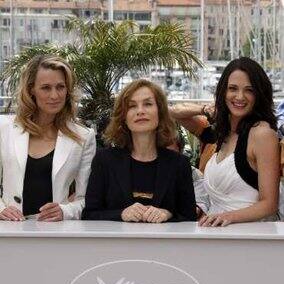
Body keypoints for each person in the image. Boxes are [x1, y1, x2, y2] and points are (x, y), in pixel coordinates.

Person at [82, 79, 196, 222]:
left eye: (148, 104)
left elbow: (190, 218)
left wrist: (168, 214)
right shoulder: (104, 160)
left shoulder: (179, 164)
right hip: (115, 244)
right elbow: (89, 215)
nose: (140, 111)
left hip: (163, 244)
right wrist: (121, 214)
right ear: (123, 117)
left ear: (160, 113)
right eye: (132, 106)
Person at [0, 55, 96, 221]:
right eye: (46, 88)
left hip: (55, 234)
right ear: (31, 89)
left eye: (60, 87)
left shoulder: (83, 137)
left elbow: (87, 199)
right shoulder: (4, 129)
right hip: (10, 232)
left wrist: (64, 211)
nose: (54, 95)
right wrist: (1, 209)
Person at [198, 57, 280, 227]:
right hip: (216, 234)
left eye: (249, 90)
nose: (240, 97)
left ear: (259, 94)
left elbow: (269, 204)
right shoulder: (223, 133)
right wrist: (206, 110)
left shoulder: (263, 134)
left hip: (251, 238)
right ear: (223, 92)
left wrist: (229, 216)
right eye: (232, 89)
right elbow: (174, 114)